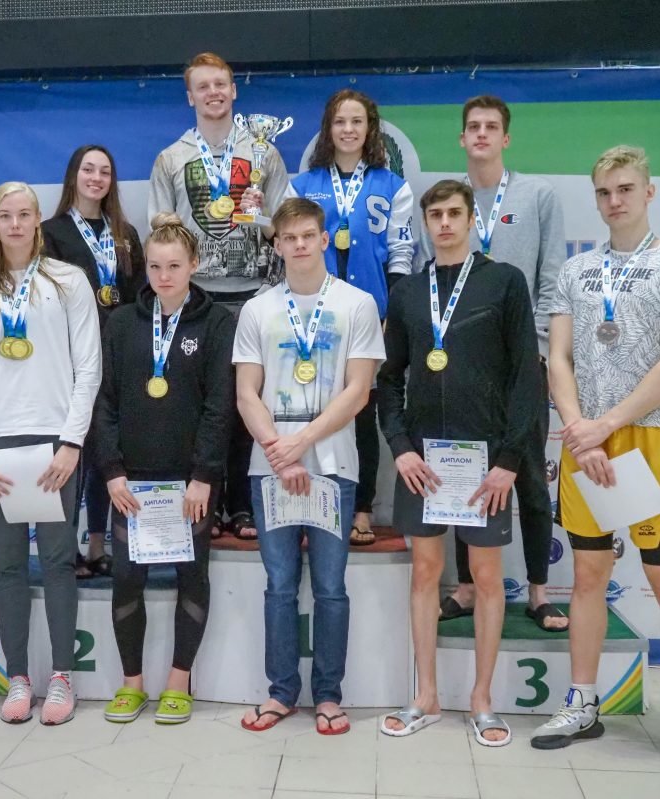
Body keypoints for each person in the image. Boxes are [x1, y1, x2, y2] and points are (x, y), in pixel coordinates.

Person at [533, 145, 660, 780]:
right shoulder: (576, 270)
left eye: (626, 189)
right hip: (585, 445)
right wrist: (581, 433)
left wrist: (604, 426)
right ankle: (583, 703)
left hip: (648, 442)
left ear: (648, 192)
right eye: (605, 192)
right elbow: (558, 358)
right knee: (587, 578)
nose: (615, 201)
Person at [378, 180, 541, 745]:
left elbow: (526, 377)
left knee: (487, 578)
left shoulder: (504, 282)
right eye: (435, 215)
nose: (444, 223)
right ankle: (426, 696)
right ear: (424, 223)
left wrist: (510, 460)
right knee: (426, 573)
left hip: (485, 460)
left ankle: (481, 700)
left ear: (472, 220)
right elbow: (388, 380)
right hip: (423, 461)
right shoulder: (407, 293)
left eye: (454, 213)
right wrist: (401, 448)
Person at [0, 181, 101, 725]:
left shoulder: (69, 281)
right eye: (4, 216)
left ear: (38, 220)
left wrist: (72, 442)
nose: (14, 225)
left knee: (59, 563)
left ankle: (61, 678)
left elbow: (89, 368)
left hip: (55, 442)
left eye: (23, 214)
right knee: (9, 566)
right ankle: (18, 678)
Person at [233, 198, 384, 735]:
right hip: (269, 464)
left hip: (333, 463)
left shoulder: (357, 304)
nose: (299, 244)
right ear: (276, 245)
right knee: (278, 584)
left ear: (324, 239)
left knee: (329, 586)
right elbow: (246, 394)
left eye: (307, 236)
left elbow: (359, 392)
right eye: (288, 237)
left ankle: (328, 696)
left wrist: (300, 444)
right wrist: (279, 449)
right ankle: (280, 694)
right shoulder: (257, 309)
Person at [93, 213, 236, 724]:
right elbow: (104, 401)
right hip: (130, 481)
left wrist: (204, 476)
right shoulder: (121, 323)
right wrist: (111, 471)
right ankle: (132, 683)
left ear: (194, 264)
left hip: (190, 483)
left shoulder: (218, 324)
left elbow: (220, 406)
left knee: (191, 576)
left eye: (174, 266)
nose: (164, 276)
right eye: (155, 266)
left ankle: (179, 681)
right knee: (126, 579)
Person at [148, 51, 289, 543]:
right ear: (190, 96)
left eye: (220, 84)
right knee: (201, 404)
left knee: (251, 403)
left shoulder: (264, 153)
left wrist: (260, 213)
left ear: (234, 91)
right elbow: (160, 231)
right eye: (203, 86)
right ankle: (203, 503)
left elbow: (283, 231)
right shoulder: (171, 158)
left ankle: (243, 505)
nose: (213, 93)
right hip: (196, 299)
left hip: (253, 294)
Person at [441, 95, 569, 633]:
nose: (481, 134)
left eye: (491, 127)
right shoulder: (450, 199)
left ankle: (539, 593)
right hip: (463, 364)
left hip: (522, 361)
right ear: (462, 138)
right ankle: (466, 587)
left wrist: (535, 351)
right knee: (461, 473)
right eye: (473, 126)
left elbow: (553, 278)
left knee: (531, 479)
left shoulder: (537, 195)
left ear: (506, 138)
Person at [287, 88, 414, 546]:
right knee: (309, 407)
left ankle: (361, 508)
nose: (348, 129)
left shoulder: (392, 186)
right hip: (310, 317)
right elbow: (287, 244)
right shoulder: (303, 185)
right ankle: (307, 506)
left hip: (369, 316)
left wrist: (389, 315)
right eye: (340, 121)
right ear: (328, 128)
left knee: (361, 413)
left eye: (357, 121)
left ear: (370, 129)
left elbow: (401, 254)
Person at [43, 144, 147, 579]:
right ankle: (66, 547)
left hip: (119, 357)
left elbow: (140, 296)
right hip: (72, 359)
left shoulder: (125, 233)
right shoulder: (50, 233)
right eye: (88, 169)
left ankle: (99, 546)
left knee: (109, 452)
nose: (96, 178)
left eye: (105, 171)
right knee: (74, 452)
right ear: (74, 176)